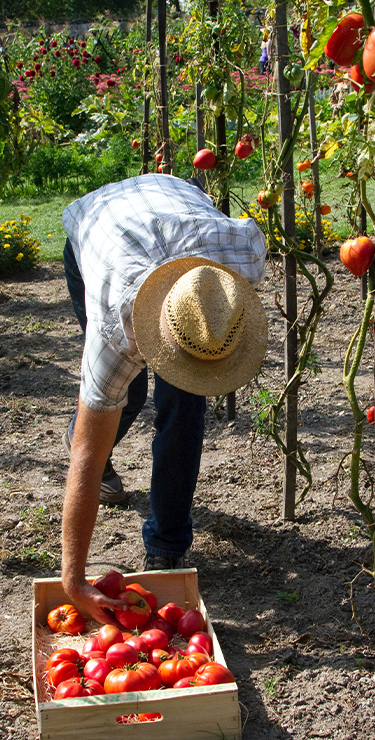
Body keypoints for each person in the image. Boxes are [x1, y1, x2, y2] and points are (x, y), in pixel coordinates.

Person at [59, 174, 268, 625]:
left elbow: (209, 324)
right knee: (122, 397)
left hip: (172, 199)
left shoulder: (236, 269)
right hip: (98, 229)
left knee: (185, 407)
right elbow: (84, 460)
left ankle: (166, 546)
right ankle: (96, 435)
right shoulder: (116, 331)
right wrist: (73, 581)